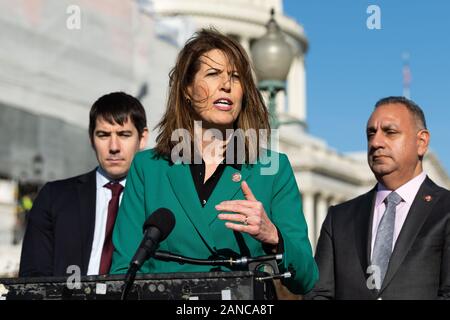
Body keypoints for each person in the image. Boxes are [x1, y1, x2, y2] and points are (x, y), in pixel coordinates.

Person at [110, 29, 318, 295]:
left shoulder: (271, 168)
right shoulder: (148, 168)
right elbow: (122, 273)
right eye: (212, 74)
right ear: (186, 89)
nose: (226, 85)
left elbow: (307, 278)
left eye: (235, 76)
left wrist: (274, 237)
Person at [307, 96, 450, 300]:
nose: (375, 142)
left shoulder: (444, 209)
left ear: (421, 142)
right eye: (370, 134)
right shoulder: (338, 218)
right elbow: (319, 294)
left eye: (390, 132)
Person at [19, 92, 148, 277]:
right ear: (91, 138)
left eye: (124, 134)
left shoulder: (158, 201)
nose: (114, 147)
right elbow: (32, 277)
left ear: (142, 139)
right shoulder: (54, 198)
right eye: (103, 135)